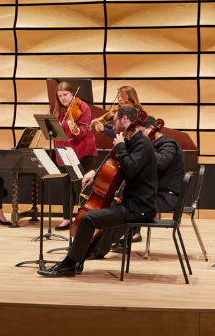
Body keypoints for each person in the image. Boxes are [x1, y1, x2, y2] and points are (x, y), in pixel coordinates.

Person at [38, 106, 157, 278]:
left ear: (125, 120)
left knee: (88, 219)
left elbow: (130, 169)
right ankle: (77, 262)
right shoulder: (131, 142)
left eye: (114, 120)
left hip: (139, 208)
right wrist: (96, 171)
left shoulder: (142, 144)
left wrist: (122, 147)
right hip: (131, 204)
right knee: (97, 219)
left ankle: (68, 265)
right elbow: (117, 164)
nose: (112, 125)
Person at [93, 115, 186, 257]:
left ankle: (99, 249)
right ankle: (99, 245)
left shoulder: (169, 144)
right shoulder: (152, 145)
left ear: (150, 129)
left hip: (167, 196)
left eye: (141, 131)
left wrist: (143, 150)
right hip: (155, 194)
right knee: (121, 209)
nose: (140, 136)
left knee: (128, 212)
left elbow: (162, 161)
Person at [52, 81, 98, 231]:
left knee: (80, 187)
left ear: (72, 93)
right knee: (65, 185)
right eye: (60, 96)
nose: (63, 98)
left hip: (81, 151)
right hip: (63, 151)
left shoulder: (82, 107)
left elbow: (85, 130)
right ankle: (66, 218)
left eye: (65, 95)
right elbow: (55, 130)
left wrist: (76, 129)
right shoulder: (57, 110)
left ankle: (83, 219)